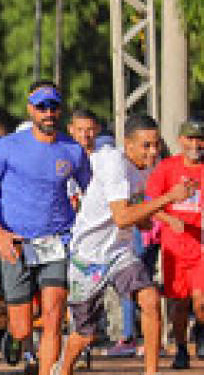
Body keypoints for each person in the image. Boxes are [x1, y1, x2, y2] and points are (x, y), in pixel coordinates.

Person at [0, 81, 91, 375]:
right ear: (30, 110)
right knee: (23, 326)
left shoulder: (73, 150)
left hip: (56, 241)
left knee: (53, 318)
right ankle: (15, 337)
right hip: (16, 242)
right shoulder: (9, 146)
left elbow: (93, 193)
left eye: (53, 107)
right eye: (41, 107)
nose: (48, 113)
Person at [56, 115, 184, 375]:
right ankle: (62, 369)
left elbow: (135, 201)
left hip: (119, 251)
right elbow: (122, 216)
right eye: (146, 145)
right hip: (88, 256)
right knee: (86, 335)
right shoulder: (114, 164)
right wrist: (169, 198)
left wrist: (158, 218)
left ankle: (151, 372)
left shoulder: (148, 164)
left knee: (149, 299)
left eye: (156, 144)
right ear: (128, 145)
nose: (153, 151)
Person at [146, 117, 204, 369]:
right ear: (181, 140)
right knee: (179, 304)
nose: (195, 144)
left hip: (201, 247)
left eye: (199, 139)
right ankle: (181, 348)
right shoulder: (167, 168)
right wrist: (169, 219)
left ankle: (201, 331)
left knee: (201, 302)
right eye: (190, 138)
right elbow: (149, 203)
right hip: (174, 248)